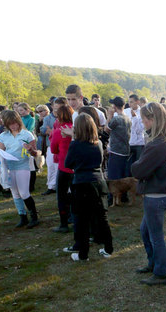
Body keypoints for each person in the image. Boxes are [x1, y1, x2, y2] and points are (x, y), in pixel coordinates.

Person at [132, 102, 166, 286]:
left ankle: (161, 272)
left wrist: (136, 163)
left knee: (155, 235)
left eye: (144, 119)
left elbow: (138, 171)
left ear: (152, 119)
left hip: (157, 195)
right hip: (165, 192)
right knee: (146, 231)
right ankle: (154, 263)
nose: (142, 123)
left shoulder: (158, 145)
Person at [64, 113, 113, 262]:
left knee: (81, 220)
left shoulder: (75, 145)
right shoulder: (98, 143)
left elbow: (68, 164)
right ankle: (108, 248)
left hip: (82, 183)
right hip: (98, 182)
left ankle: (83, 254)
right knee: (102, 217)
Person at [0, 110, 40, 228]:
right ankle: (23, 216)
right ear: (6, 124)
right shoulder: (3, 136)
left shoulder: (27, 134)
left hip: (23, 166)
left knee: (24, 192)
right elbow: (0, 152)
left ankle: (34, 217)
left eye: (15, 123)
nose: (13, 126)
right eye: (10, 124)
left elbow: (36, 154)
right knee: (15, 193)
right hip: (9, 168)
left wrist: (30, 150)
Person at [51, 104, 75, 234]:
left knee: (62, 196)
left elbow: (54, 149)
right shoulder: (77, 130)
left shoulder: (58, 132)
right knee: (77, 196)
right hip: (76, 168)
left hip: (63, 168)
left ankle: (64, 223)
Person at [106, 97, 131, 180]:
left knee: (114, 179)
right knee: (122, 178)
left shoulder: (116, 119)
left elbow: (106, 129)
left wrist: (109, 115)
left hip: (116, 152)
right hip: (125, 151)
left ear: (114, 106)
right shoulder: (128, 118)